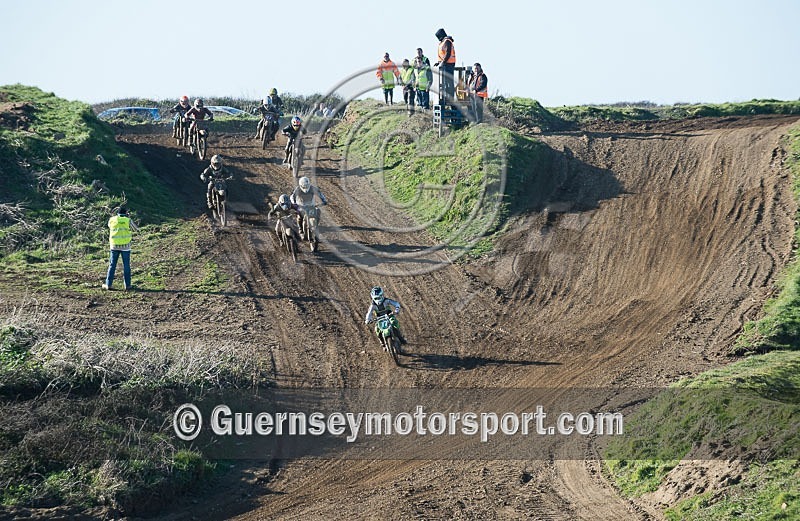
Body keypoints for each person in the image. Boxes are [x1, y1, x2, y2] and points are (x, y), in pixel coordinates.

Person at [102, 206, 139, 291]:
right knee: (126, 265)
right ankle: (128, 285)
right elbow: (136, 229)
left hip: (114, 246)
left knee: (112, 265)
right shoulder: (128, 220)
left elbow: (109, 226)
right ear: (126, 213)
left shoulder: (112, 219)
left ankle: (108, 284)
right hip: (126, 246)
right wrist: (128, 218)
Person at [433, 28, 456, 104]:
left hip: (448, 64)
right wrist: (439, 62)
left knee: (449, 83)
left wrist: (442, 62)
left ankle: (450, 99)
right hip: (445, 64)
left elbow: (448, 53)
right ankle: (447, 97)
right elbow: (443, 54)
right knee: (445, 83)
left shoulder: (447, 42)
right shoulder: (443, 42)